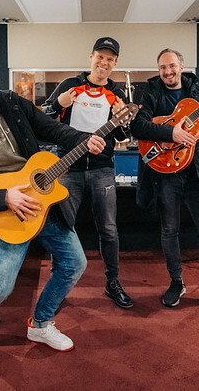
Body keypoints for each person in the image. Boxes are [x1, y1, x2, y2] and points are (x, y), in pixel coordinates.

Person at [0, 62, 106, 367]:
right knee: (1, 286)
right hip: (2, 211)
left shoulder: (14, 106)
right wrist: (4, 197)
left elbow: (52, 129)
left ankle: (40, 325)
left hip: (41, 203)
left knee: (75, 264)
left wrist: (83, 140)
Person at [129, 48, 199, 315]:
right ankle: (176, 283)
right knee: (169, 230)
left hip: (198, 172)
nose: (167, 72)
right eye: (162, 68)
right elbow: (138, 126)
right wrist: (172, 133)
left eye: (171, 66)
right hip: (165, 174)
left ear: (181, 66)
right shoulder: (149, 92)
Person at [41, 37, 133, 309]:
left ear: (115, 63)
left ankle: (112, 282)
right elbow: (43, 119)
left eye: (110, 59)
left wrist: (121, 119)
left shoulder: (119, 96)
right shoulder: (70, 85)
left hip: (103, 169)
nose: (104, 63)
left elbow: (124, 136)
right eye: (100, 56)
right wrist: (58, 102)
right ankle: (57, 286)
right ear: (90, 57)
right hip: (67, 167)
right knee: (62, 228)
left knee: (109, 230)